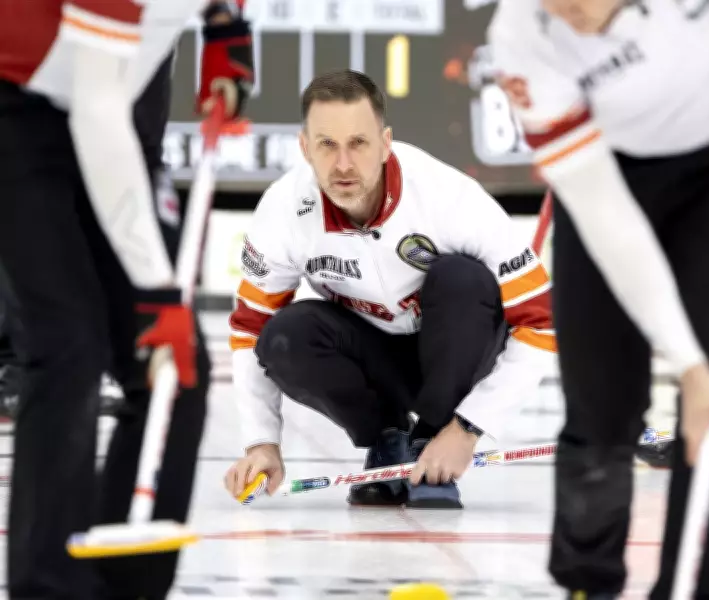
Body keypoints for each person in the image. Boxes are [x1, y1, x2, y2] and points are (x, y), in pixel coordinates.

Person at [488, 0, 709, 598]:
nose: (567, 9)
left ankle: (696, 587)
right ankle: (588, 582)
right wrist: (688, 364)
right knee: (600, 401)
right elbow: (608, 219)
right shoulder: (523, 34)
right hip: (609, 171)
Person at [0, 1, 253, 598]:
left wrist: (226, 27)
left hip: (114, 100)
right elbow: (95, 115)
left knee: (178, 371)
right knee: (70, 347)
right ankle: (49, 587)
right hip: (19, 107)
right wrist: (157, 289)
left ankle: (127, 588)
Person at [222, 69, 556, 509]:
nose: (343, 164)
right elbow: (250, 328)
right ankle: (388, 439)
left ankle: (433, 436)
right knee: (284, 336)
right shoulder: (284, 210)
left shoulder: (450, 197)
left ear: (385, 143)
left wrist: (467, 427)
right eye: (327, 144)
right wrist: (260, 442)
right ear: (305, 148)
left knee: (462, 278)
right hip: (377, 363)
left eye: (358, 143)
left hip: (457, 352)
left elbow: (541, 321)